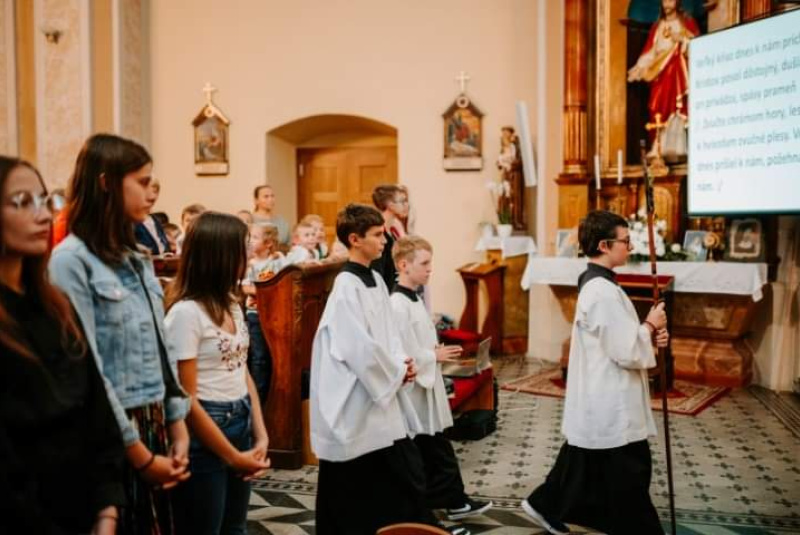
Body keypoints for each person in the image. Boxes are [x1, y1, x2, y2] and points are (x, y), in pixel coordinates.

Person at [49, 133, 192, 534]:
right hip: (112, 430)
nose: (152, 192)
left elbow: (162, 350)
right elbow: (88, 367)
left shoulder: (136, 258)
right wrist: (139, 455)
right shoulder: (70, 261)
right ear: (106, 183)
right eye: (142, 182)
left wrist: (177, 424)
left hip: (153, 419)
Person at [520, 210, 669, 535]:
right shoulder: (600, 291)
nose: (630, 247)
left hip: (605, 392)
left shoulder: (601, 285)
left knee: (585, 463)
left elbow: (621, 338)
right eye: (625, 241)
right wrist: (649, 325)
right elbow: (624, 349)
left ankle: (545, 504)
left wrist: (650, 334)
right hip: (611, 397)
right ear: (604, 245)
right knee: (630, 476)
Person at [0, 156, 125, 535]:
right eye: (23, 202)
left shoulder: (57, 307)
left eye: (44, 200)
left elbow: (97, 411)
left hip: (86, 512)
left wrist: (107, 510)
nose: (43, 215)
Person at [310, 203, 440, 534]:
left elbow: (388, 335)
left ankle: (410, 527)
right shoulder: (346, 286)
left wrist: (402, 362)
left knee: (403, 471)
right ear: (355, 239)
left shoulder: (378, 281)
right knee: (362, 477)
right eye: (377, 235)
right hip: (359, 394)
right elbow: (357, 347)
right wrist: (395, 371)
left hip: (382, 388)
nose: (384, 241)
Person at [165, 212, 270, 534]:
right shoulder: (186, 314)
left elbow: (241, 370)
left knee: (235, 528)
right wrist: (233, 457)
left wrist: (261, 433)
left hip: (240, 418)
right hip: (205, 427)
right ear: (221, 255)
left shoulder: (231, 302)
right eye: (243, 247)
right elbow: (186, 399)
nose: (249, 253)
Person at [390, 235, 493, 521]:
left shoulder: (413, 298)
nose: (430, 269)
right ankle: (447, 503)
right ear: (403, 265)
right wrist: (432, 355)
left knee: (434, 448)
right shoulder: (397, 305)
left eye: (430, 263)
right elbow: (400, 351)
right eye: (424, 263)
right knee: (433, 449)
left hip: (426, 386)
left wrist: (433, 352)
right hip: (414, 391)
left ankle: (451, 501)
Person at [627, 0, 699, 153]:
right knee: (657, 107)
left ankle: (678, 148)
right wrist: (639, 68)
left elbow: (698, 47)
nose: (666, 4)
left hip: (678, 74)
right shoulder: (657, 27)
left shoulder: (686, 22)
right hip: (659, 76)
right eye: (664, 0)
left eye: (670, 0)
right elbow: (650, 52)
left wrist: (682, 40)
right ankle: (658, 147)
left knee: (677, 108)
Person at [241, 224, 285, 403]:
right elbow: (245, 287)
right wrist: (265, 292)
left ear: (268, 243)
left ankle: (271, 395)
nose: (250, 241)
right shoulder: (250, 264)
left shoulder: (277, 262)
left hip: (274, 313)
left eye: (255, 237)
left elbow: (284, 281)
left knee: (273, 354)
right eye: (250, 237)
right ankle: (257, 397)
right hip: (255, 313)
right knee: (259, 357)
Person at [370, 184, 406, 289]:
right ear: (390, 205)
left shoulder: (393, 232)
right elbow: (378, 271)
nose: (405, 205)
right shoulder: (379, 234)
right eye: (402, 201)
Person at [135, 179, 170, 255]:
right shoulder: (132, 219)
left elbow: (162, 242)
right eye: (148, 192)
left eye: (155, 192)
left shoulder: (154, 219)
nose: (153, 196)